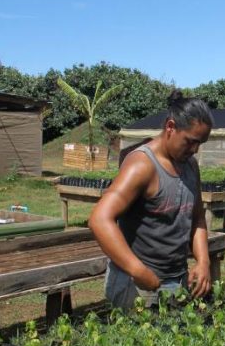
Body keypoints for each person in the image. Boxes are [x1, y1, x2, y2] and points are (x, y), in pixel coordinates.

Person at [89, 90, 213, 309]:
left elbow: (198, 218)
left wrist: (203, 261)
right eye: (191, 142)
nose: (194, 150)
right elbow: (100, 219)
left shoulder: (190, 166)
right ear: (171, 127)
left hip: (177, 278)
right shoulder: (142, 165)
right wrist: (137, 269)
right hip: (136, 285)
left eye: (200, 144)